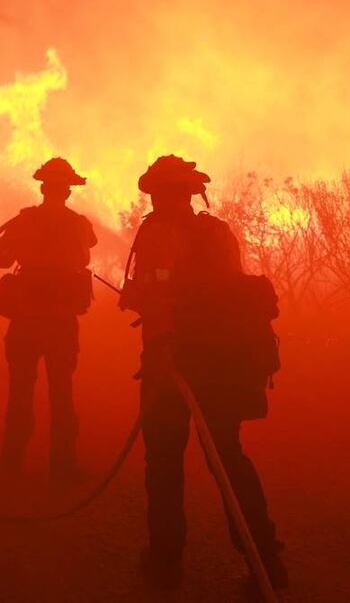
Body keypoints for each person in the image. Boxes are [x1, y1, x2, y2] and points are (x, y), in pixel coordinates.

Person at [119, 155, 287, 592]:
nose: (157, 198)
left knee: (164, 464)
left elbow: (157, 295)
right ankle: (265, 561)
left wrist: (137, 299)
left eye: (160, 191)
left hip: (170, 363)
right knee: (228, 457)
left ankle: (164, 564)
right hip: (221, 363)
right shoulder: (218, 231)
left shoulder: (157, 234)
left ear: (163, 193)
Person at [0, 157, 97, 481]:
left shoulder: (23, 221)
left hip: (25, 319)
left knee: (20, 391)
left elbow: (0, 258)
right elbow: (87, 253)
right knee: (61, 392)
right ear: (67, 192)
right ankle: (62, 466)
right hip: (60, 323)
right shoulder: (79, 224)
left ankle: (11, 464)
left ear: (42, 187)